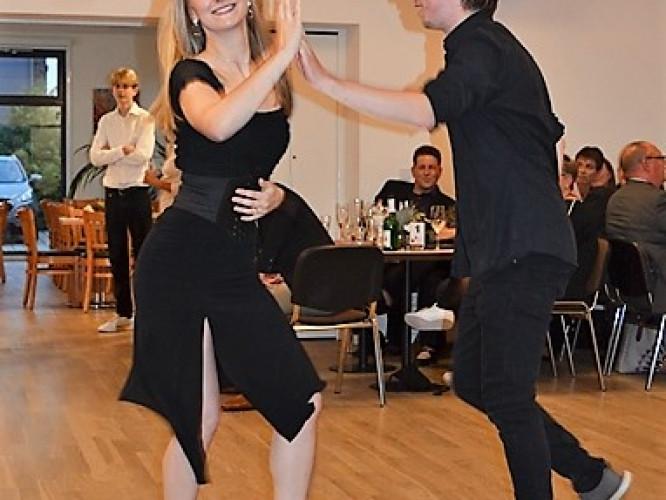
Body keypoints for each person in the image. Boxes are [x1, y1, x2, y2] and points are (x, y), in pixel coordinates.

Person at [297, 1, 630, 498]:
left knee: (509, 396)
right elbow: (553, 137)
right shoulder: (488, 48)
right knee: (473, 381)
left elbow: (426, 111)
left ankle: (588, 479)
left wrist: (326, 81)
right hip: (505, 250)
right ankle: (591, 476)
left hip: (522, 250)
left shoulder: (482, 44)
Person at [120, 1, 324, 499]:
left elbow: (246, 163)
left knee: (301, 403)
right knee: (197, 419)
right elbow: (217, 125)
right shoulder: (190, 75)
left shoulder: (272, 79)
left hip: (231, 264)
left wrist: (276, 196)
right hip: (180, 261)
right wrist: (281, 54)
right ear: (191, 14)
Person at [375, 144, 456, 361]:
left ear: (439, 172)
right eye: (422, 167)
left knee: (429, 279)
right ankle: (417, 344)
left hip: (433, 264)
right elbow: (379, 218)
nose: (427, 172)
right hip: (398, 261)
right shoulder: (394, 191)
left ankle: (407, 342)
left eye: (432, 168)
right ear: (413, 171)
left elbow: (454, 234)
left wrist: (438, 234)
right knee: (407, 272)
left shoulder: (448, 205)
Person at [89, 67, 155, 333]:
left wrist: (114, 155)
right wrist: (121, 150)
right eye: (118, 87)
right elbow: (95, 157)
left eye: (127, 86)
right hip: (113, 193)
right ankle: (123, 313)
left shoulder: (146, 119)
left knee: (143, 254)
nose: (121, 91)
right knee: (117, 255)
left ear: (135, 90)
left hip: (137, 192)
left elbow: (143, 156)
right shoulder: (107, 121)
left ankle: (146, 313)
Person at [606, 141, 666, 313]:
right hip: (657, 286)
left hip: (625, 288)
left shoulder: (615, 198)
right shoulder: (658, 200)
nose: (664, 164)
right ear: (646, 163)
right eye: (661, 158)